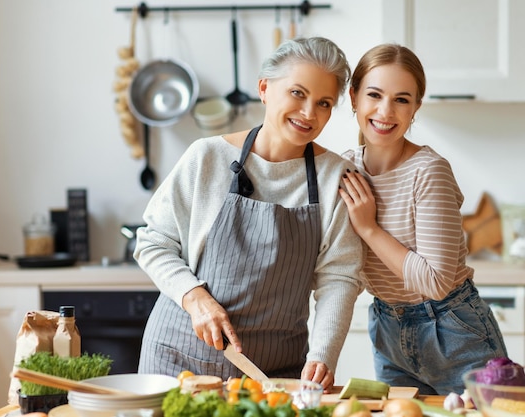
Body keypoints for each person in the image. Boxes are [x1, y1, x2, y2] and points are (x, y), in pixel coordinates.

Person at [134, 37, 364, 391]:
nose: (308, 113)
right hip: (178, 361)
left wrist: (322, 355)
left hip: (274, 373)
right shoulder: (206, 157)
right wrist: (194, 297)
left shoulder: (337, 176)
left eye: (323, 103)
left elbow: (339, 277)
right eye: (297, 93)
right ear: (264, 88)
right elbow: (152, 241)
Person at [339, 43, 508, 395]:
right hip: (388, 326)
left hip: (454, 330)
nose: (386, 111)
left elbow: (434, 281)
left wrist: (368, 228)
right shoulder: (345, 169)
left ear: (416, 108)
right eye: (374, 94)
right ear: (353, 97)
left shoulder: (428, 171)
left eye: (402, 99)